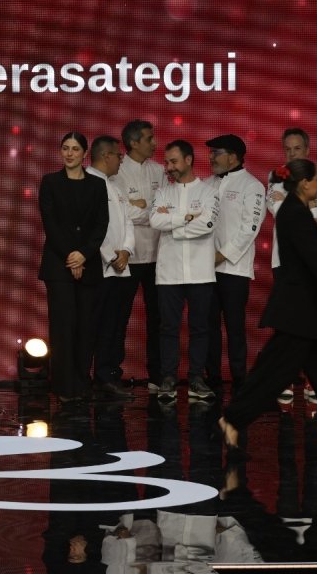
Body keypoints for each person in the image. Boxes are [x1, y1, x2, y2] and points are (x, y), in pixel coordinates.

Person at [219, 158, 317, 459]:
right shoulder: (293, 213)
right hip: (299, 312)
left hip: (313, 312)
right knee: (274, 373)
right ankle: (232, 420)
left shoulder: (297, 212)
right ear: (304, 183)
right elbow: (313, 262)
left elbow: (307, 253)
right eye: (316, 181)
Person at [37, 132, 109, 403]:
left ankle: (82, 383)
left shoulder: (96, 185)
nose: (69, 153)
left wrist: (84, 255)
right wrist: (71, 256)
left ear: (84, 153)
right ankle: (64, 386)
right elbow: (51, 224)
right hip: (58, 266)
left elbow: (101, 225)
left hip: (88, 265)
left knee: (86, 326)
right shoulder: (50, 182)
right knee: (63, 326)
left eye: (74, 149)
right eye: (65, 148)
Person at [267, 128, 317, 401]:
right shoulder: (277, 178)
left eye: (297, 149)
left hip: (315, 261)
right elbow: (278, 210)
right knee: (288, 322)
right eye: (288, 149)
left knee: (315, 321)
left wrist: (301, 205)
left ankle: (313, 381)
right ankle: (283, 378)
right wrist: (311, 205)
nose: (292, 154)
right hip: (284, 261)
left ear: (307, 150)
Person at [150, 140, 219, 401]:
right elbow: (156, 220)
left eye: (174, 161)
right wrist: (186, 218)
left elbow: (208, 224)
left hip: (201, 271)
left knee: (200, 327)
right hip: (169, 272)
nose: (169, 167)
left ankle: (196, 380)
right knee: (168, 327)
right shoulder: (162, 193)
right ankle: (168, 378)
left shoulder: (209, 191)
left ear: (189, 160)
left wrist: (174, 225)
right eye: (167, 162)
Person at [204, 133, 266, 390]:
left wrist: (221, 255)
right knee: (208, 327)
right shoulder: (205, 183)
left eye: (216, 153)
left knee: (235, 326)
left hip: (234, 269)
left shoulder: (252, 186)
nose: (210, 157)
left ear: (233, 156)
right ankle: (212, 378)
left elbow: (250, 228)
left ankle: (240, 379)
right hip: (204, 269)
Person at [114, 120, 165, 390]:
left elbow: (166, 208)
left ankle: (157, 376)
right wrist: (150, 212)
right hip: (128, 257)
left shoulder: (159, 170)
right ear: (134, 143)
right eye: (149, 138)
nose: (154, 143)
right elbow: (122, 214)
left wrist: (142, 210)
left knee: (159, 319)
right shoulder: (117, 171)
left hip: (159, 256)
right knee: (119, 317)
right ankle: (113, 374)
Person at [86, 136, 135, 398]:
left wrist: (126, 250)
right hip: (100, 268)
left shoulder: (114, 186)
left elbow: (127, 223)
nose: (121, 159)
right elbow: (90, 229)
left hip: (121, 267)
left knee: (116, 324)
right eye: (118, 155)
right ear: (106, 156)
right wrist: (109, 256)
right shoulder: (87, 184)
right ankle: (94, 376)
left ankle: (109, 374)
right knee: (98, 324)